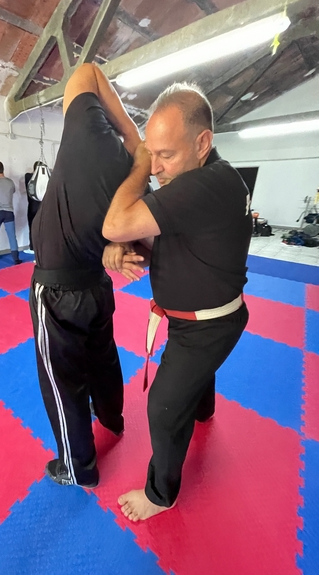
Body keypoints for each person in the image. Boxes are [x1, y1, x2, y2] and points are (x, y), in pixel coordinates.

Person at [103, 82, 252, 521]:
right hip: (200, 318)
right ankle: (203, 410)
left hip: (206, 328)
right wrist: (129, 245)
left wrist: (136, 163)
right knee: (194, 381)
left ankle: (160, 494)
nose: (156, 168)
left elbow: (115, 223)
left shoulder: (207, 185)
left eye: (164, 154)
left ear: (202, 143)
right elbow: (179, 242)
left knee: (163, 407)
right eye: (151, 154)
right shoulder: (209, 181)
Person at [29, 63, 141, 489]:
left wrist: (131, 134)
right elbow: (141, 253)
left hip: (56, 290)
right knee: (103, 357)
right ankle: (112, 419)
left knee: (62, 381)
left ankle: (78, 468)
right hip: (97, 286)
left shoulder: (90, 133)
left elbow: (87, 72)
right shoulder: (135, 185)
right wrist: (139, 159)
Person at [24, 161, 43, 254]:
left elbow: (28, 175)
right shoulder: (44, 179)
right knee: (42, 227)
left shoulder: (29, 177)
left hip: (33, 207)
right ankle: (42, 247)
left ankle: (32, 247)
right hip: (42, 207)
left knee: (32, 226)